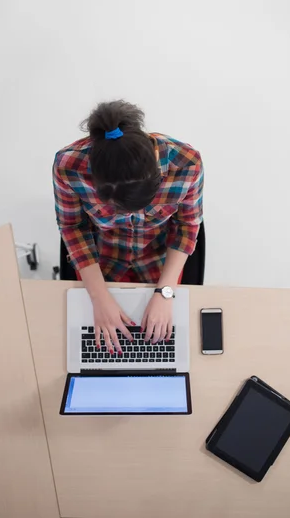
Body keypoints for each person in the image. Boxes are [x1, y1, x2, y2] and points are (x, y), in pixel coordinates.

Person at [53, 100, 204, 354]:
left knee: (165, 346)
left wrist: (165, 294)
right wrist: (99, 298)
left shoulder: (186, 163)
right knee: (93, 341)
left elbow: (186, 225)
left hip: (159, 260)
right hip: (100, 261)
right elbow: (73, 227)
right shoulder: (69, 166)